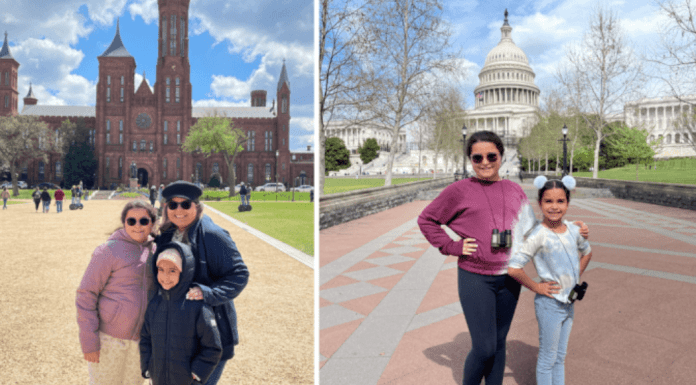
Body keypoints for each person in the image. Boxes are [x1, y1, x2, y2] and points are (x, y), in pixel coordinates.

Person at [417, 131, 588, 385]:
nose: (485, 162)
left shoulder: (513, 190)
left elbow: (532, 230)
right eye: (477, 158)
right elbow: (426, 220)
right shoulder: (459, 190)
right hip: (475, 277)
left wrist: (568, 228)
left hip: (509, 279)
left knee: (498, 342)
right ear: (470, 160)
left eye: (491, 156)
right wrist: (452, 246)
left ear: (500, 157)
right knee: (484, 347)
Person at [155, 181, 249, 385]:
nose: (178, 210)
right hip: (180, 334)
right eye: (173, 205)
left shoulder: (212, 235)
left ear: (197, 207)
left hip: (209, 334)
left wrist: (207, 292)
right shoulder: (169, 234)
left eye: (185, 204)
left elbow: (239, 274)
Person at [507, 176, 592, 385]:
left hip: (569, 302)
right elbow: (514, 268)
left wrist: (574, 278)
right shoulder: (538, 235)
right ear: (540, 204)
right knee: (547, 359)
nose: (554, 207)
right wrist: (536, 286)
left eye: (560, 201)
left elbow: (587, 253)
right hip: (549, 304)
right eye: (548, 201)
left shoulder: (574, 229)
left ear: (568, 203)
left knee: (560, 357)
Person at [76, 201, 157, 385]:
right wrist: (89, 341)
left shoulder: (155, 250)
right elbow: (86, 295)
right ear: (124, 222)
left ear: (152, 223)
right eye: (132, 221)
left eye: (144, 221)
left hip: (140, 341)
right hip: (109, 339)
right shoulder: (108, 250)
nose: (138, 225)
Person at [140, 242, 222, 385]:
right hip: (158, 378)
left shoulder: (197, 306)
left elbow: (213, 347)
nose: (165, 276)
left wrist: (197, 372)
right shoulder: (154, 304)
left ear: (184, 272)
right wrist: (147, 366)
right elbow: (146, 338)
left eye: (172, 271)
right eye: (161, 269)